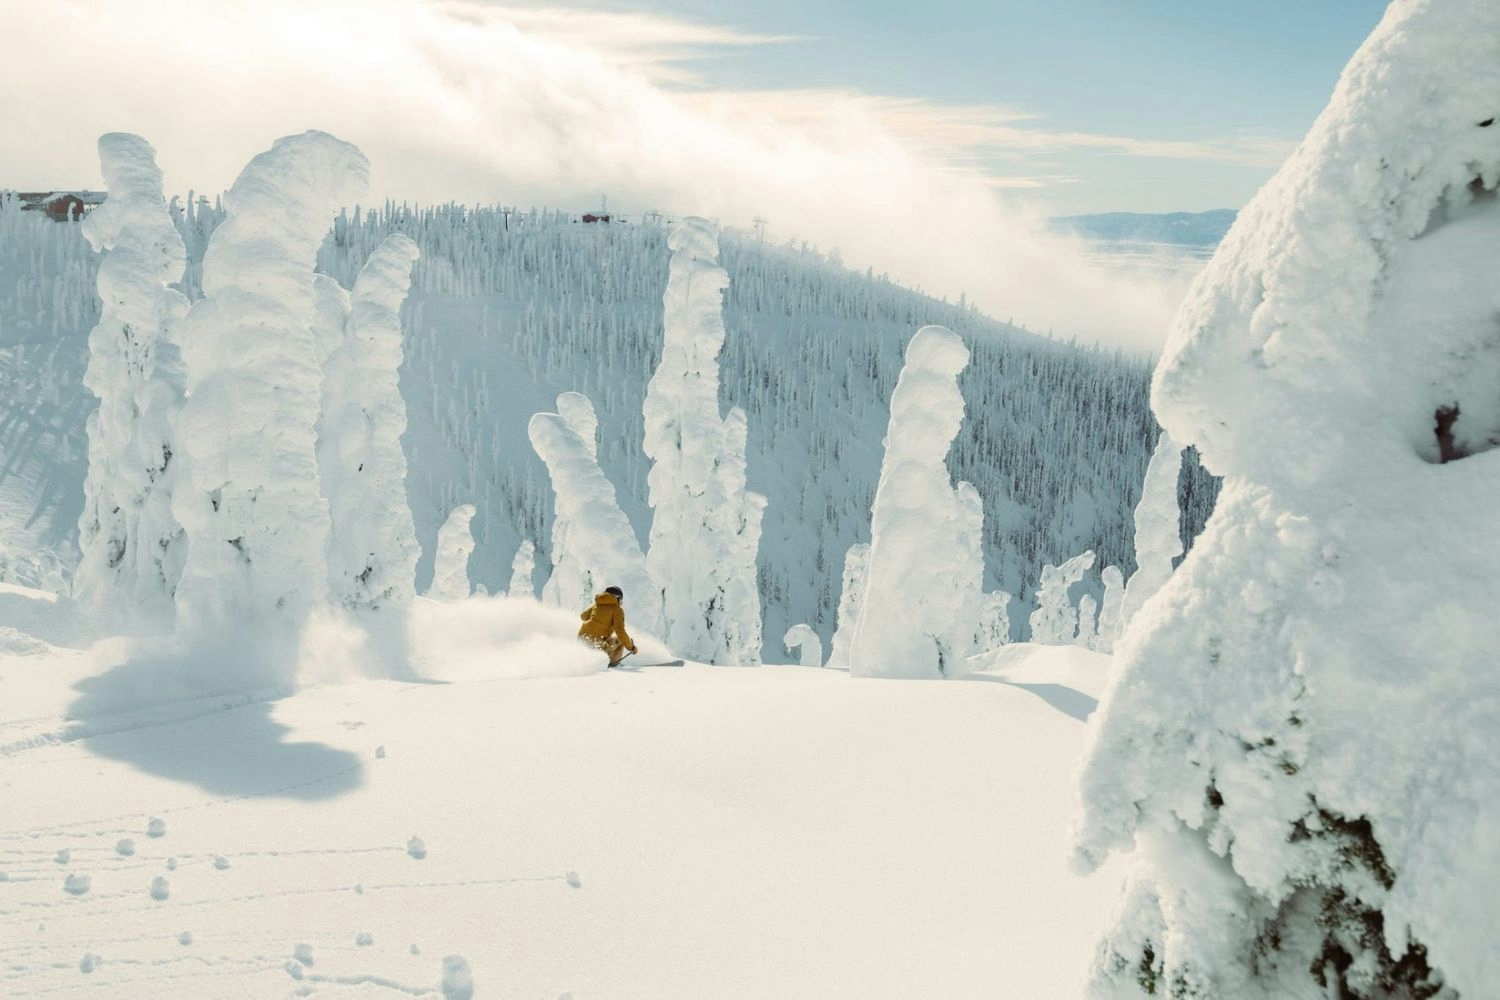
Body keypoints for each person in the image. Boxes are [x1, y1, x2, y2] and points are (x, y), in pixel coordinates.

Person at [578, 585, 637, 667]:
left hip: (582, 637)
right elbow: (620, 631)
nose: (621, 602)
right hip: (596, 642)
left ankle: (598, 660)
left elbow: (583, 617)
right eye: (621, 599)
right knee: (620, 641)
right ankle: (612, 664)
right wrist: (631, 647)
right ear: (617, 597)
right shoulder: (617, 610)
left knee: (611, 640)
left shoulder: (596, 605)